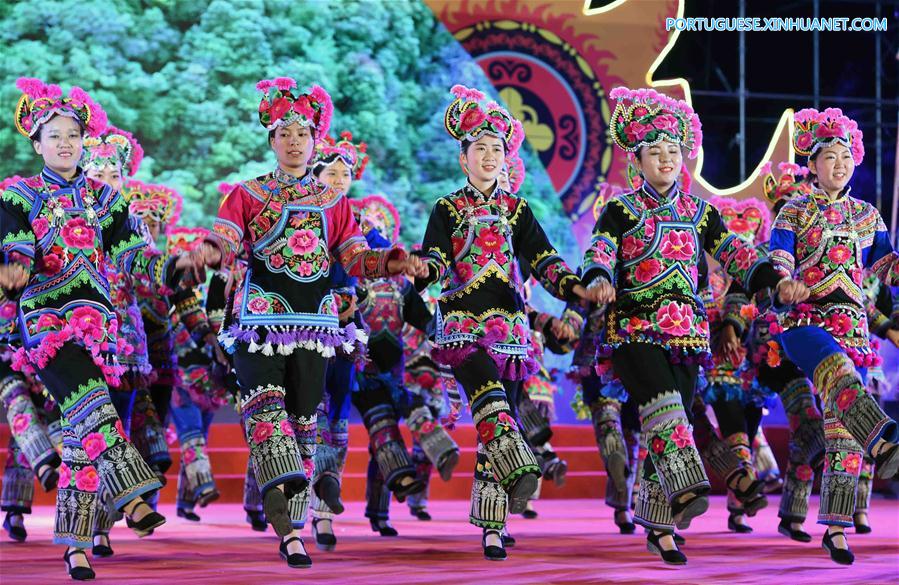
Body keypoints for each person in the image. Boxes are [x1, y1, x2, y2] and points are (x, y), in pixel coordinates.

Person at [200, 77, 426, 568]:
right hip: (259, 325)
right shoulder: (248, 193)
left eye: (303, 132)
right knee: (264, 409)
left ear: (315, 139)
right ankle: (285, 519)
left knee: (305, 425)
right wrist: (209, 251)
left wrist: (391, 263)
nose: (294, 140)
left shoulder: (333, 201)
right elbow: (226, 240)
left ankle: (293, 533)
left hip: (316, 329)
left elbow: (356, 257)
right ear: (271, 140)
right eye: (284, 133)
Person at [582, 86, 806, 565]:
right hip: (634, 332)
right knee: (665, 410)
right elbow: (599, 251)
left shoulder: (700, 212)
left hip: (686, 339)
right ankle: (686, 488)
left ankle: (659, 528)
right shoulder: (620, 210)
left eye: (673, 150)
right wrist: (599, 277)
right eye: (655, 151)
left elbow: (737, 255)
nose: (666, 158)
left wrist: (774, 278)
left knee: (674, 422)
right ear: (637, 159)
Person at [0, 78, 201, 580]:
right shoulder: (19, 194)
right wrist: (14, 269)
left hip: (101, 330)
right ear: (36, 143)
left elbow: (136, 259)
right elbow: (17, 246)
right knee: (93, 409)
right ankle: (132, 496)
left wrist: (177, 265)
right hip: (46, 327)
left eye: (73, 134)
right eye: (54, 135)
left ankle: (76, 546)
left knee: (80, 435)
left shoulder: (106, 200)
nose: (65, 142)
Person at [415, 85, 602, 560]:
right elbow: (436, 258)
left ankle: (493, 527)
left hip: (513, 334)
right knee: (493, 408)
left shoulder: (518, 210)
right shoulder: (448, 208)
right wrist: (422, 271)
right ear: (464, 159)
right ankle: (523, 474)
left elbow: (544, 259)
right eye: (480, 148)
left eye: (497, 148)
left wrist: (574, 288)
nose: (490, 156)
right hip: (462, 327)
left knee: (499, 425)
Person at [768, 107, 899, 564]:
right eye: (829, 157)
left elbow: (886, 266)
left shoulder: (867, 215)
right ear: (812, 164)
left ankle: (837, 529)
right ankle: (882, 439)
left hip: (854, 329)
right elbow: (779, 256)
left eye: (845, 156)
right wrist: (785, 281)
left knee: (841, 432)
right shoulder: (794, 209)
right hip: (804, 323)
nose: (838, 165)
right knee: (840, 377)